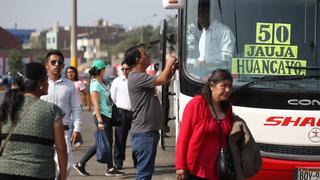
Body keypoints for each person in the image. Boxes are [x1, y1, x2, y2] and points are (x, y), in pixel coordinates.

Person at [0, 62, 67, 180]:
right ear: (40, 83)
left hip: (5, 170)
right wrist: (62, 176)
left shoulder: (7, 106)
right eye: (46, 79)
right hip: (39, 172)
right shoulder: (52, 110)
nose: (48, 83)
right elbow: (61, 149)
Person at [125, 46, 178, 180]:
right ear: (138, 59)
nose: (148, 56)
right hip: (144, 133)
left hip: (146, 132)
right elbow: (160, 79)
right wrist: (169, 63)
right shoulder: (136, 77)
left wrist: (172, 70)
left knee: (145, 173)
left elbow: (164, 79)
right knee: (144, 174)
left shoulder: (140, 76)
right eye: (145, 54)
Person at [175, 69, 235, 180]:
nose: (227, 90)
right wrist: (180, 166)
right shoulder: (196, 104)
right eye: (223, 86)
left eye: (230, 87)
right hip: (198, 170)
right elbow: (183, 137)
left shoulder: (227, 108)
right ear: (212, 86)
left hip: (220, 169)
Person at [73, 59, 124, 177]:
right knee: (103, 142)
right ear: (101, 70)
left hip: (107, 116)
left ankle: (109, 168)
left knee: (107, 142)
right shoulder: (95, 84)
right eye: (104, 69)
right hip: (101, 117)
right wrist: (100, 121)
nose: (105, 71)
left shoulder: (101, 83)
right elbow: (96, 104)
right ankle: (81, 164)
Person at [40, 50, 82, 179]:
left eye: (60, 63)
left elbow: (76, 108)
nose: (56, 65)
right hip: (43, 131)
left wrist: (77, 128)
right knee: (43, 165)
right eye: (53, 62)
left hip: (64, 131)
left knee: (67, 164)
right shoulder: (40, 84)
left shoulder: (69, 85)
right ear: (47, 65)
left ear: (63, 66)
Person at [188, 0, 235, 79]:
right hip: (205, 77)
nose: (199, 19)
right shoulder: (204, 33)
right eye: (197, 16)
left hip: (220, 78)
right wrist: (196, 63)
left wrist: (206, 62)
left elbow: (227, 56)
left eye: (201, 15)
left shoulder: (223, 31)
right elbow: (203, 57)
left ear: (209, 14)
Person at [110, 60, 135, 170]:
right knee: (120, 139)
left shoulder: (136, 81)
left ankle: (137, 161)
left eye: (127, 69)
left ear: (132, 69)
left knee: (136, 139)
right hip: (122, 112)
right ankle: (118, 161)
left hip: (135, 113)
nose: (125, 71)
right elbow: (112, 98)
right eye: (123, 69)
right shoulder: (117, 81)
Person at [65, 66, 92, 148]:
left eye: (72, 72)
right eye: (68, 72)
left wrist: (88, 105)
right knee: (69, 124)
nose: (70, 74)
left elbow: (86, 94)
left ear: (75, 73)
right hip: (66, 107)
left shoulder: (78, 83)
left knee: (72, 124)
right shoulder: (64, 83)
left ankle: (69, 143)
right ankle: (79, 140)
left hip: (77, 106)